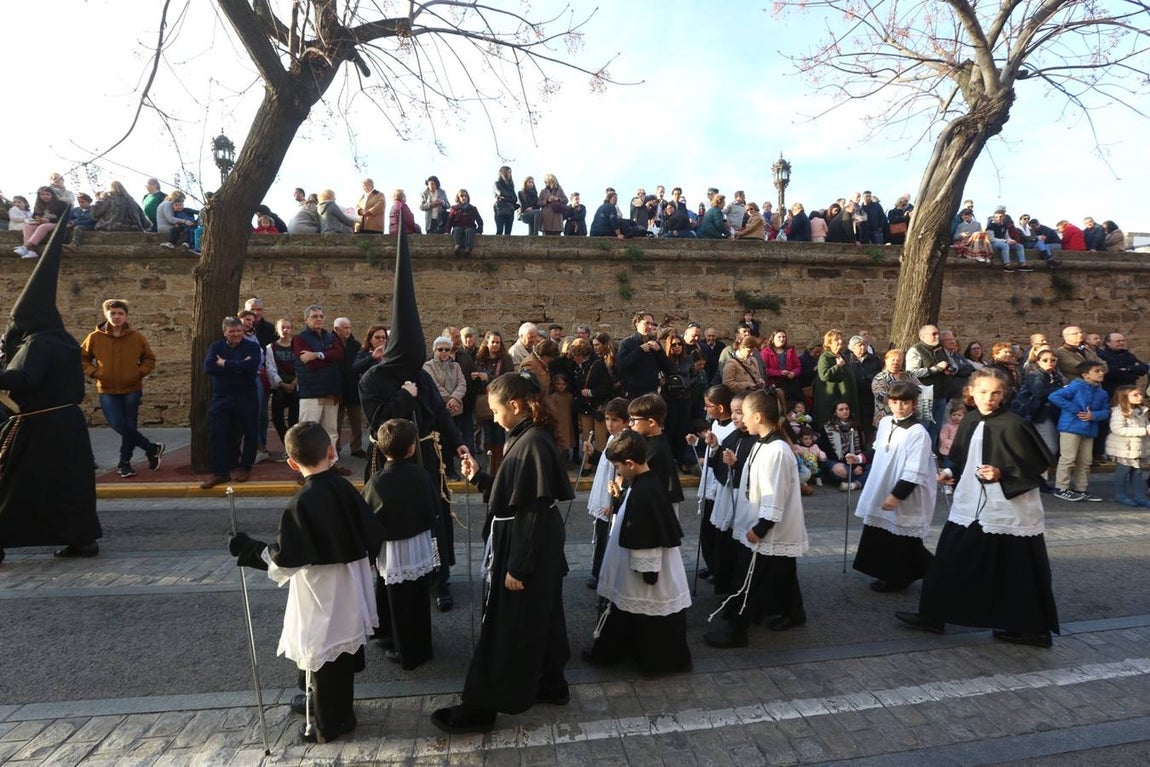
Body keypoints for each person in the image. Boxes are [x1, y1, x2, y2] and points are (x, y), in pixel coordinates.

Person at [432, 371, 575, 734]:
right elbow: (516, 492)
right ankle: (551, 682)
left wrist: (517, 567)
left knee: (505, 625)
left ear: (515, 405)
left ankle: (482, 707)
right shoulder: (525, 436)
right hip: (531, 542)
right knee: (543, 614)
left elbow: (533, 509)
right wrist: (480, 476)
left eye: (496, 410)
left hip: (526, 547)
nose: (493, 417)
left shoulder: (533, 443)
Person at [228, 421, 383, 743]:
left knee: (321, 655)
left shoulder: (302, 502)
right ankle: (344, 714)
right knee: (340, 654)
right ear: (331, 452)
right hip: (351, 585)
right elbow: (372, 532)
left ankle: (325, 725)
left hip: (320, 591)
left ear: (291, 463)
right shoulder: (346, 487)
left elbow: (285, 560)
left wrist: (249, 549)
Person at [896, 367, 1059, 649]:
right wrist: (949, 472)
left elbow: (1037, 465)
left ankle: (1033, 629)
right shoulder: (970, 420)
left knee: (1016, 568)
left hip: (1009, 508)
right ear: (971, 392)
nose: (989, 398)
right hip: (970, 503)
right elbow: (960, 458)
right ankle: (933, 615)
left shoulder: (1014, 424)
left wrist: (1002, 473)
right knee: (949, 557)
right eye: (983, 392)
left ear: (1004, 394)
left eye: (996, 393)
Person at [359, 231, 469, 612]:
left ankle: (440, 578)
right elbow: (378, 424)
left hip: (428, 458)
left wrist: (459, 444)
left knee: (436, 517)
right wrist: (404, 396)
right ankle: (392, 576)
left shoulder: (420, 374)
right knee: (395, 523)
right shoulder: (372, 380)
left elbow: (438, 411)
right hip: (390, 463)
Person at [0, 217, 101, 563]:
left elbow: (25, 379)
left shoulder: (39, 342)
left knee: (13, 483)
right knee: (68, 485)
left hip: (40, 426)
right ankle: (81, 539)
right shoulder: (62, 340)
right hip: (66, 425)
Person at [703, 389, 808, 648]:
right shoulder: (762, 443)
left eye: (746, 415)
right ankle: (795, 612)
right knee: (782, 571)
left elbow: (775, 494)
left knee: (747, 578)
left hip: (767, 528)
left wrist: (761, 527)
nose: (743, 421)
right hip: (758, 522)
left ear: (759, 417)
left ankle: (737, 631)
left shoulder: (777, 451)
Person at [582, 429, 692, 674]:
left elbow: (648, 536)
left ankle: (654, 661)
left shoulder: (645, 492)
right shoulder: (644, 483)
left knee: (645, 615)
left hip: (646, 571)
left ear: (630, 463)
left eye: (619, 467)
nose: (619, 472)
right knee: (630, 610)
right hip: (638, 566)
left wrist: (648, 571)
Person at [361, 418, 438, 669]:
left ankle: (406, 651)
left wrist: (369, 554)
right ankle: (418, 645)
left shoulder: (377, 481)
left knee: (397, 600)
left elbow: (367, 521)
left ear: (382, 449)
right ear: (412, 448)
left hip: (392, 551)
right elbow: (433, 510)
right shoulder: (421, 475)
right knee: (417, 598)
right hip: (418, 545)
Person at [851, 381, 936, 592]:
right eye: (895, 401)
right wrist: (859, 457)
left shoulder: (918, 432)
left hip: (904, 491)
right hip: (881, 485)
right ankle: (892, 575)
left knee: (904, 540)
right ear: (889, 402)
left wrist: (897, 495)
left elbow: (914, 470)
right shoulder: (886, 422)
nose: (899, 406)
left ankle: (936, 573)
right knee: (883, 534)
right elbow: (877, 450)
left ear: (914, 404)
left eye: (905, 402)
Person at [81, 299, 164, 478]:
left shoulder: (136, 337)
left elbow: (149, 359)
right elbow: (83, 358)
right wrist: (94, 373)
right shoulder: (94, 337)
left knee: (129, 426)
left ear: (126, 316)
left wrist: (138, 373)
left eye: (120, 313)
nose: (117, 317)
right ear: (106, 315)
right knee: (118, 424)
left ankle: (124, 463)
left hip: (132, 388)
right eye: (113, 313)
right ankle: (151, 448)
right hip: (106, 389)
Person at [201, 317, 261, 489]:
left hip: (246, 396)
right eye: (232, 331)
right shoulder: (216, 347)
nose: (236, 334)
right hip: (222, 397)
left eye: (239, 331)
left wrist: (225, 363)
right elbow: (209, 367)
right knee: (217, 433)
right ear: (225, 332)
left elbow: (252, 366)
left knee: (250, 431)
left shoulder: (252, 346)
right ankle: (220, 471)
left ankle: (245, 466)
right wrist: (240, 365)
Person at [293, 305, 348, 473]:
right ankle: (305, 467)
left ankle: (331, 464)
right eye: (314, 316)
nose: (319, 319)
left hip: (330, 390)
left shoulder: (330, 337)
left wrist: (318, 354)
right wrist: (326, 357)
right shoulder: (300, 339)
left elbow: (339, 354)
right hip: (311, 392)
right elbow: (309, 363)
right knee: (307, 431)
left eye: (321, 316)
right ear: (306, 319)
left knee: (331, 430)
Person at [1048, 361, 1110, 502]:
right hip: (1071, 427)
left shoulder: (1102, 393)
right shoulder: (1076, 386)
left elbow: (1106, 411)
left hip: (1089, 429)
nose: (1101, 373)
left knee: (1085, 461)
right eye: (1097, 371)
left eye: (1101, 370)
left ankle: (1081, 489)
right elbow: (1055, 396)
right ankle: (1061, 487)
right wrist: (1077, 411)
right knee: (1068, 458)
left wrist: (1093, 415)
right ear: (1086, 375)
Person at [586, 398, 630, 590]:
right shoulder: (613, 438)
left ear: (626, 421)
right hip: (604, 493)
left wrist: (615, 500)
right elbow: (606, 461)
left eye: (615, 420)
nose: (610, 425)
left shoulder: (627, 441)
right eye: (607, 419)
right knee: (601, 535)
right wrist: (594, 453)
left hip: (612, 497)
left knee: (607, 538)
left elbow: (623, 473)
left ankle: (603, 575)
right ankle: (597, 572)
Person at [626, 393, 686, 505]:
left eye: (633, 420)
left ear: (651, 422)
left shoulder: (655, 448)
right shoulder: (650, 440)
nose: (630, 424)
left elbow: (635, 473)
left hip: (659, 505)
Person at [1105, 386, 1150, 507]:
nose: (1140, 397)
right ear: (1124, 397)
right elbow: (1118, 429)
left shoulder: (1142, 410)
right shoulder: (1119, 412)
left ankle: (1140, 496)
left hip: (1137, 449)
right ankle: (1121, 495)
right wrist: (1144, 431)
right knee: (1123, 471)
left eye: (1140, 394)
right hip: (1124, 449)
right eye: (1135, 395)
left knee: (1138, 472)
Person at [616, 311, 674, 398]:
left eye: (651, 324)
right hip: (634, 393)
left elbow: (668, 368)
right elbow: (622, 365)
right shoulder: (627, 343)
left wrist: (659, 351)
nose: (650, 327)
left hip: (652, 392)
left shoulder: (655, 343)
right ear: (637, 324)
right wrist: (639, 350)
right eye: (646, 323)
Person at [265, 318, 300, 456]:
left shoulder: (297, 346)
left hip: (295, 385)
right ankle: (288, 445)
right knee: (277, 418)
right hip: (280, 386)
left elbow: (301, 366)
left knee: (294, 419)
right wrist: (282, 383)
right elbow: (270, 368)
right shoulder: (271, 348)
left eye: (288, 327)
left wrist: (294, 383)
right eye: (283, 327)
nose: (286, 330)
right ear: (277, 330)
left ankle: (294, 448)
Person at [813, 328, 859, 429]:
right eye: (836, 339)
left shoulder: (842, 356)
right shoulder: (825, 357)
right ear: (829, 343)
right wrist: (837, 366)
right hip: (832, 400)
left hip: (844, 398)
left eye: (841, 339)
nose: (840, 341)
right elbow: (824, 375)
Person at [15, 187, 68, 259]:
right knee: (27, 226)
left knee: (43, 226)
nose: (45, 196)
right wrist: (37, 218)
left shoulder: (61, 204)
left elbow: (63, 218)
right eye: (42, 194)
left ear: (52, 195)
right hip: (42, 223)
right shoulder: (39, 205)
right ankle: (31, 251)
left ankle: (26, 246)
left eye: (47, 194)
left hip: (57, 223)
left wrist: (49, 220)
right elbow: (34, 216)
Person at [445, 189, 483, 256]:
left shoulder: (473, 208)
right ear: (458, 198)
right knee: (457, 230)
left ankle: (468, 248)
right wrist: (447, 231)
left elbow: (480, 221)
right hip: (458, 226)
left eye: (465, 196)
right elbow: (450, 221)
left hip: (469, 227)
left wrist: (479, 231)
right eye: (462, 196)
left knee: (469, 231)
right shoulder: (454, 208)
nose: (464, 198)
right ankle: (457, 246)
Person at [492, 165, 518, 236]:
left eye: (510, 172)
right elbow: (501, 192)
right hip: (500, 209)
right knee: (499, 231)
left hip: (510, 209)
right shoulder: (497, 183)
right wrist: (510, 197)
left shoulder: (511, 186)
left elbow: (515, 198)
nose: (509, 174)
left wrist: (506, 197)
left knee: (508, 233)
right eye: (507, 172)